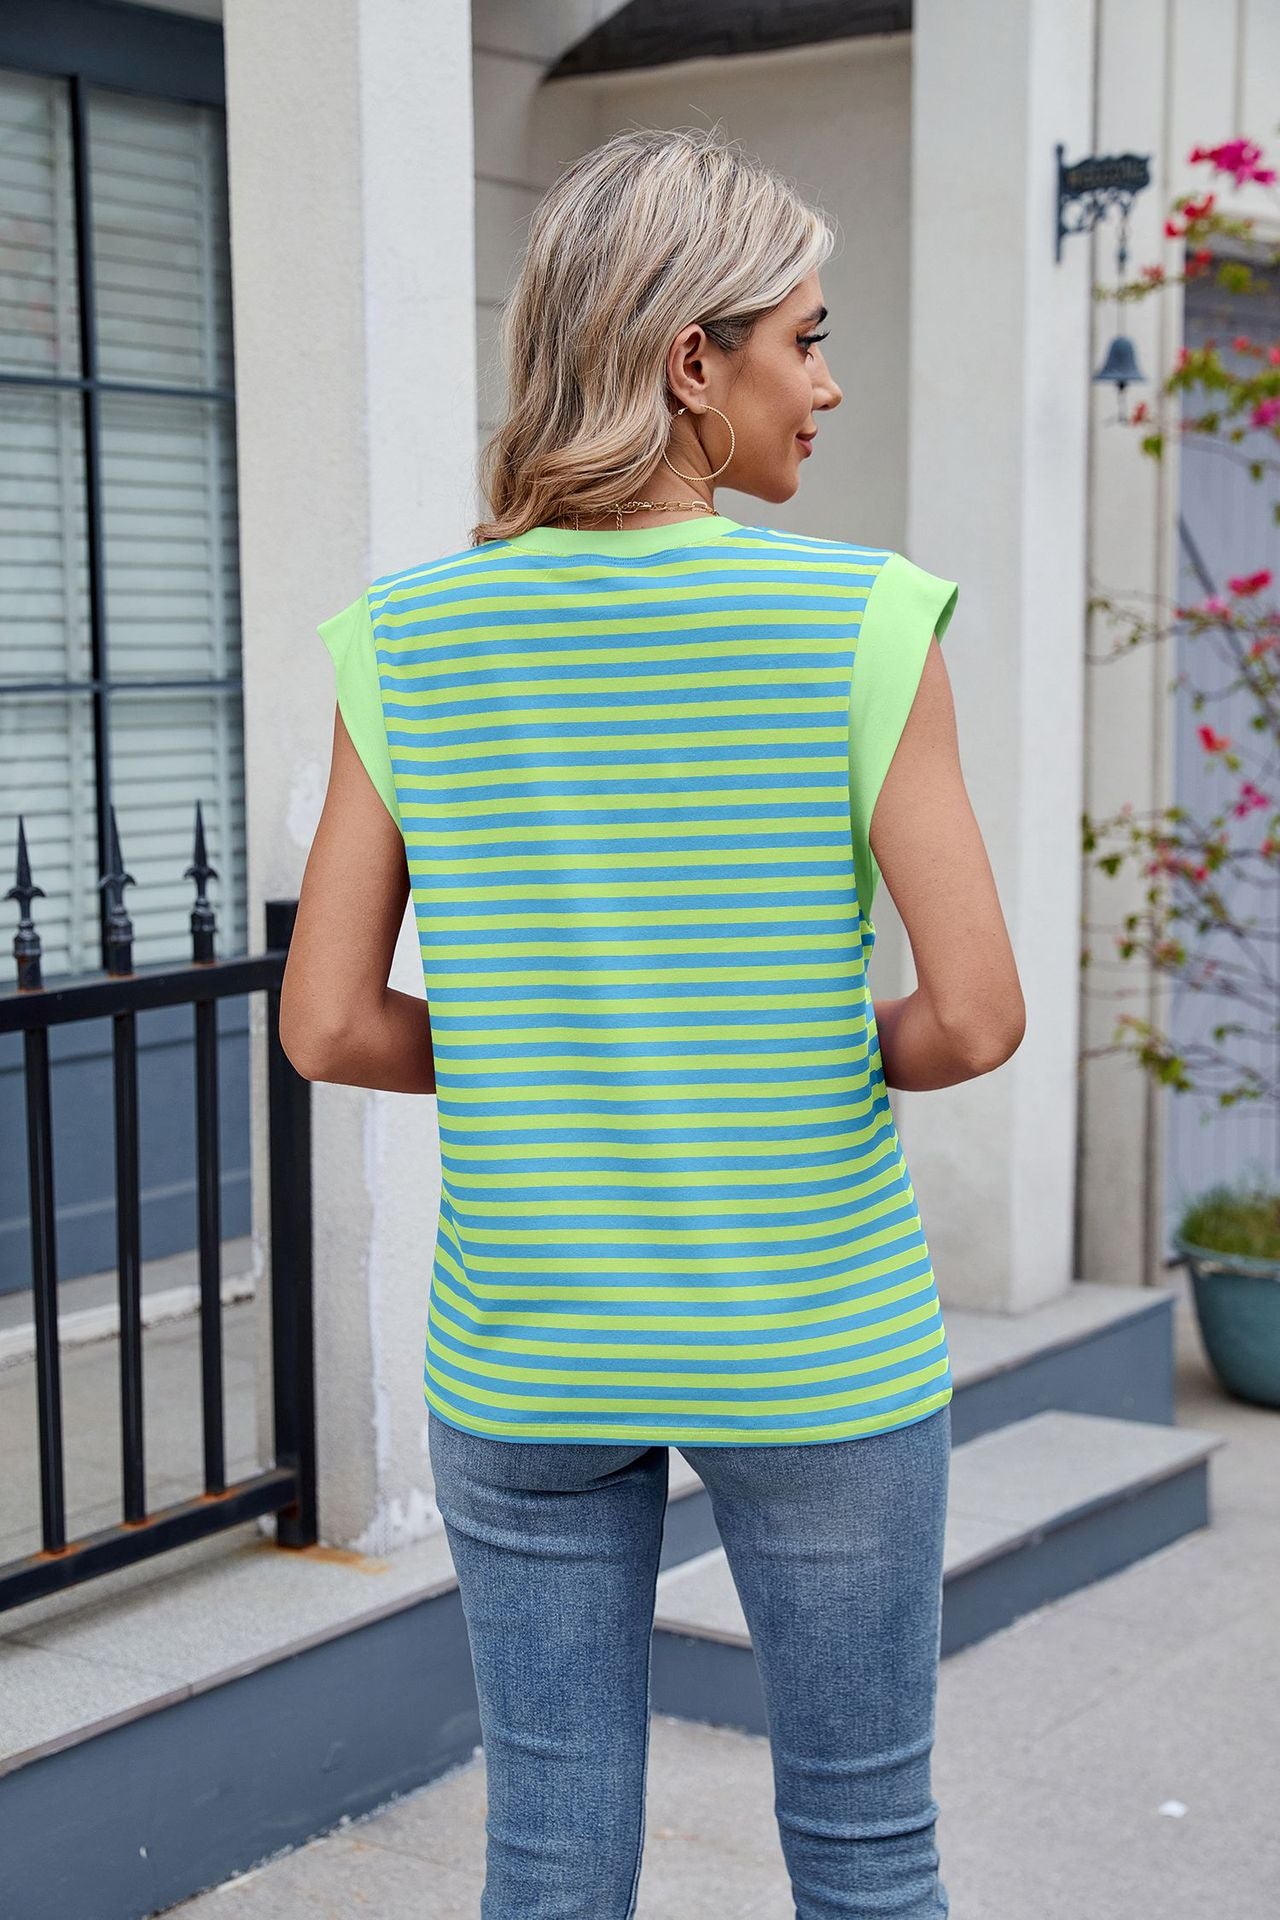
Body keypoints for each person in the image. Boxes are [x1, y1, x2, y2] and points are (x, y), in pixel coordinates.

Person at [281, 126, 1024, 1920]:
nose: (826, 384)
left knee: (549, 1857)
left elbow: (329, 1025)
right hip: (815, 1342)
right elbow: (978, 1016)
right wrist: (788, 1047)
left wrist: (545, 1053)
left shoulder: (407, 640)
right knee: (867, 1853)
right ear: (694, 361)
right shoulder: (862, 619)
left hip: (527, 1344)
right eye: (805, 339)